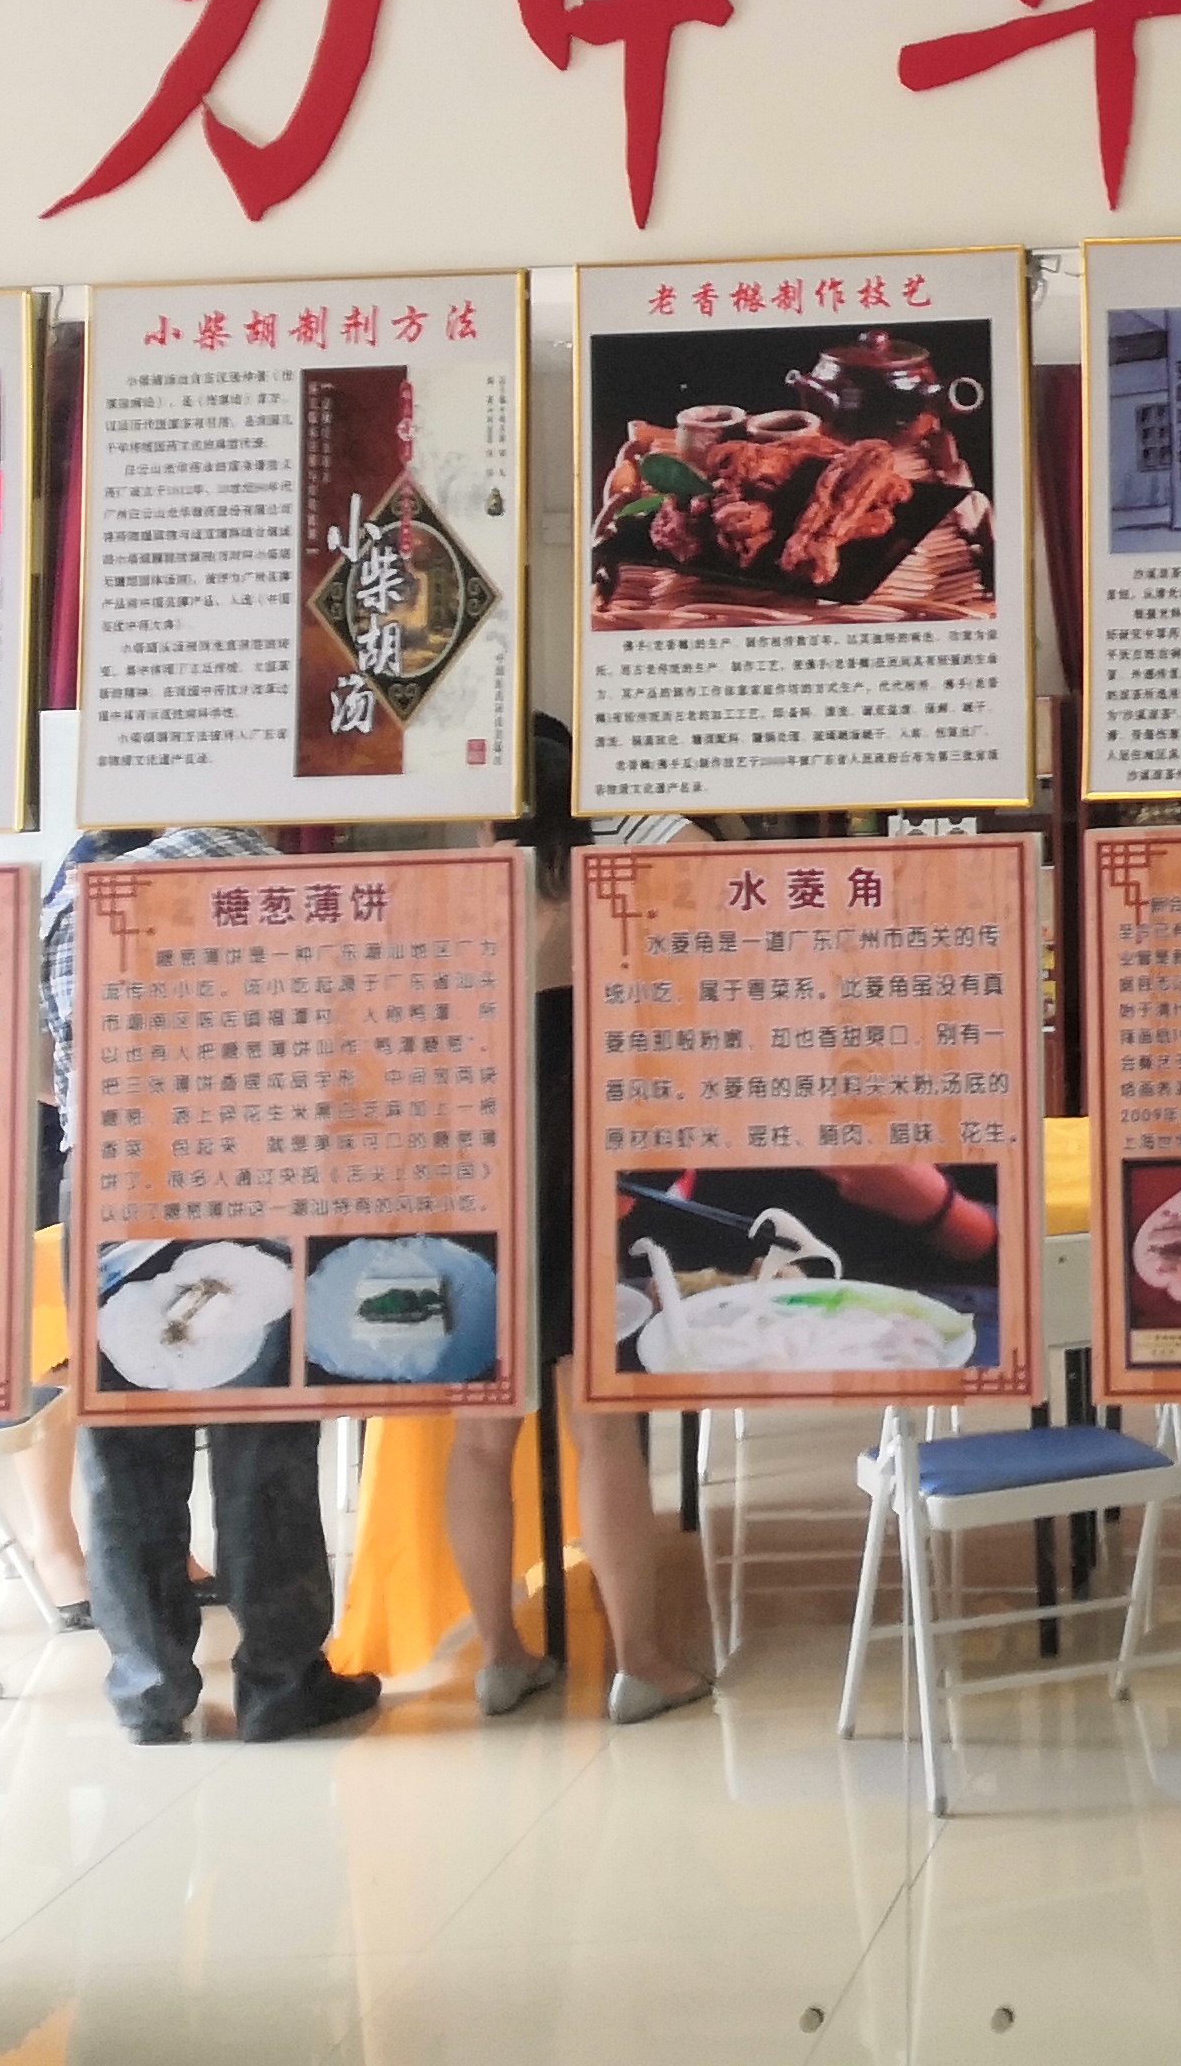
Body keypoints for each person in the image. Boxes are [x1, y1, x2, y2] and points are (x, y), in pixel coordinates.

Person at [67, 826, 378, 1747]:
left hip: (110, 1173)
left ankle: (148, 1692)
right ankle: (280, 1683)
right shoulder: (284, 887)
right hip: (255, 1165)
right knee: (262, 1442)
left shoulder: (74, 894)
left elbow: (49, 1070)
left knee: (125, 1452)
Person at [449, 735, 713, 1724]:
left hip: (478, 1161)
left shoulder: (471, 887)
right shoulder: (622, 869)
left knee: (481, 1438)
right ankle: (642, 1662)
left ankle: (499, 1657)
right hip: (592, 1158)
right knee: (601, 1429)